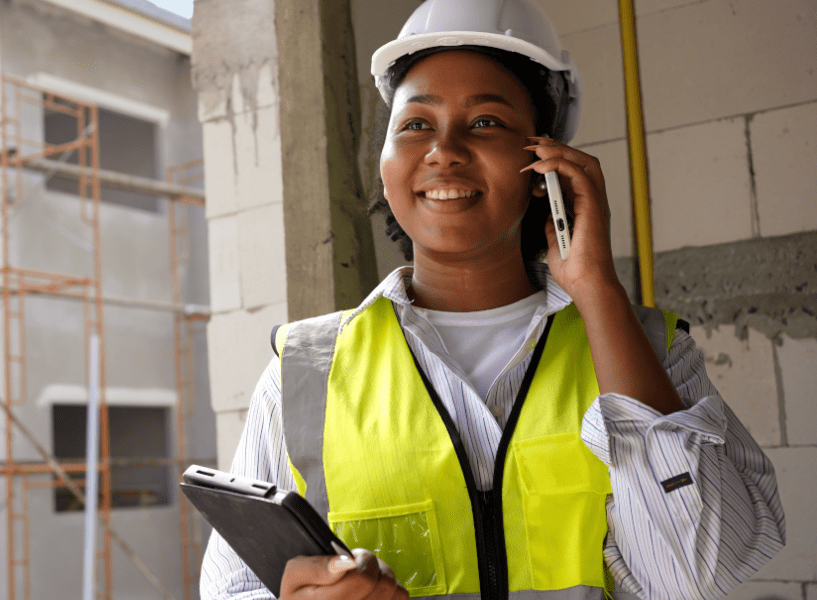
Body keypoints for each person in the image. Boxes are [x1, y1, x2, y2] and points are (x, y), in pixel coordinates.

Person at [200, 0, 786, 598]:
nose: (443, 149)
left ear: (546, 167)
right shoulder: (304, 372)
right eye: (415, 125)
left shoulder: (651, 350)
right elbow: (230, 587)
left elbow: (700, 572)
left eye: (486, 123)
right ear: (384, 165)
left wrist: (598, 290)